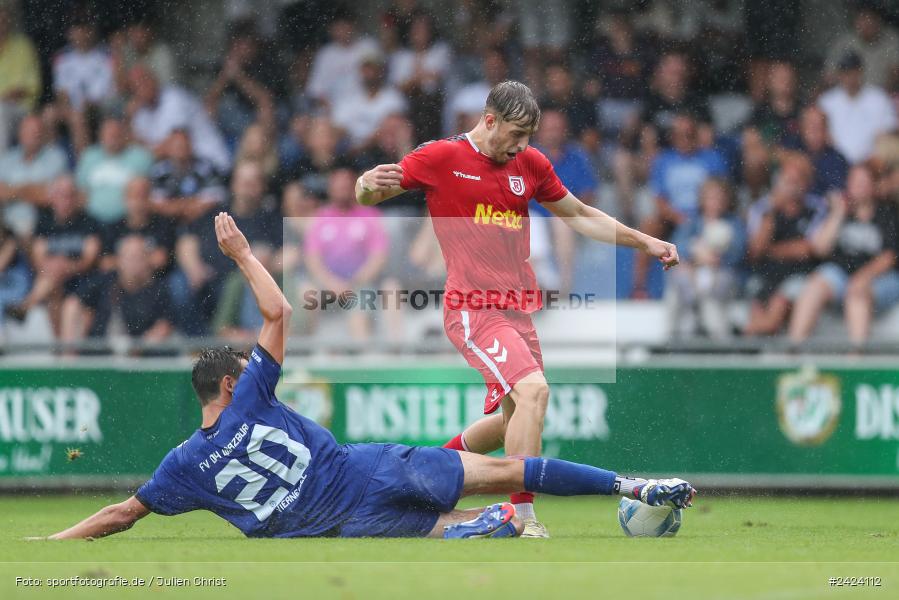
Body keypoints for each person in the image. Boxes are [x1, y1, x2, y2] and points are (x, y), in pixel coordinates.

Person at [40, 213, 695, 541]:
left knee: (457, 515)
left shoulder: (181, 464)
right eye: (244, 368)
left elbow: (123, 513)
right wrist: (241, 253)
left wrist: (55, 540)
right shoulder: (250, 401)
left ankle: (482, 522)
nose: (256, 370)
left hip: (343, 524)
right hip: (367, 470)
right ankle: (631, 484)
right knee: (510, 472)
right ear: (226, 386)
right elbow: (277, 309)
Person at [356, 80, 680, 537]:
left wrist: (645, 241)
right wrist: (365, 184)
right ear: (489, 121)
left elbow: (581, 215)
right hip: (472, 307)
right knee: (534, 392)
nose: (522, 145)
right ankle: (522, 518)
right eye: (515, 134)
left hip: (516, 310)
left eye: (529, 136)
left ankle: (415, 481)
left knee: (512, 418)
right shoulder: (442, 157)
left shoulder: (529, 163)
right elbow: (371, 195)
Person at [788, 165, 899, 349]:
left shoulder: (888, 214)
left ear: (873, 185)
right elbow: (820, 249)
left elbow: (889, 257)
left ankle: (855, 361)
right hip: (841, 275)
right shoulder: (840, 213)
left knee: (857, 295)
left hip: (879, 279)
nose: (858, 186)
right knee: (813, 287)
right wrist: (838, 213)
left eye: (863, 182)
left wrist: (862, 278)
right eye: (855, 182)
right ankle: (792, 352)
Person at [818, 52, 897, 165]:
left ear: (861, 72)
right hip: (835, 163)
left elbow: (890, 130)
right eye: (846, 73)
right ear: (839, 74)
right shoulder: (827, 101)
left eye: (853, 72)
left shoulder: (878, 97)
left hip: (872, 164)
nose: (850, 77)